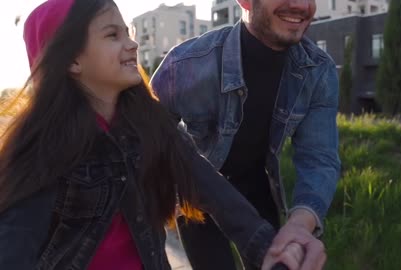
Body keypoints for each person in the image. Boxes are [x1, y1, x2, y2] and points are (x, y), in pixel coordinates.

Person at [0, 0, 305, 269]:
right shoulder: (44, 148)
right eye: (112, 35)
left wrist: (271, 248)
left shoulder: (151, 125)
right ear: (71, 60)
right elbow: (16, 247)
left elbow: (212, 190)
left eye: (127, 32)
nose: (132, 44)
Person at [151, 0, 341, 269]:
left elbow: (319, 157)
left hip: (259, 193)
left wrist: (300, 223)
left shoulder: (318, 71)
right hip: (200, 200)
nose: (301, 5)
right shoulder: (185, 65)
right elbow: (149, 141)